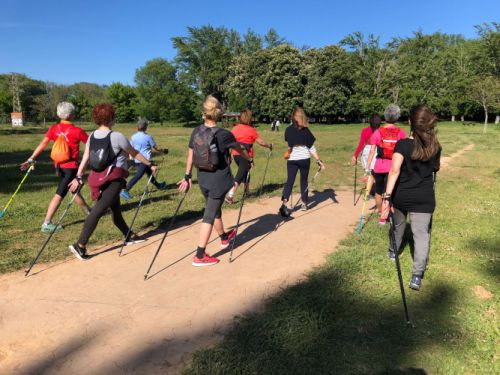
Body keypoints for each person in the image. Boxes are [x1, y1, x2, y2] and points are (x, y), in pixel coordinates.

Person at [67, 104, 157, 260]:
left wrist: (79, 176)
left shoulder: (92, 136)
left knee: (115, 210)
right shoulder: (117, 136)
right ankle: (80, 245)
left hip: (98, 177)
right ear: (111, 118)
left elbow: (86, 157)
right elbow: (134, 153)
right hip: (114, 178)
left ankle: (128, 235)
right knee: (98, 211)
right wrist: (149, 164)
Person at [178, 96, 253, 267]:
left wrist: (187, 176)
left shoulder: (196, 131)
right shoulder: (224, 134)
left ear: (204, 113)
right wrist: (248, 159)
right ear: (219, 113)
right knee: (209, 215)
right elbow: (240, 149)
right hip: (218, 180)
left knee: (215, 209)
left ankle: (224, 238)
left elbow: (190, 154)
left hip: (202, 178)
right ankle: (199, 255)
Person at [381, 105, 441, 291]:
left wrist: (386, 197)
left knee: (399, 225)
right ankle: (417, 276)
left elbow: (394, 171)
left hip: (401, 196)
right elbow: (435, 170)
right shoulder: (436, 146)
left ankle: (393, 251)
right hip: (424, 198)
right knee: (421, 235)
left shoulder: (403, 145)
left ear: (410, 123)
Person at [20, 102, 91, 233]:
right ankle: (46, 223)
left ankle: (89, 212)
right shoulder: (78, 131)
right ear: (71, 115)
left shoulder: (54, 128)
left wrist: (31, 159)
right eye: (74, 112)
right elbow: (91, 146)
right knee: (60, 194)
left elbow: (43, 144)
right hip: (71, 167)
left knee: (74, 190)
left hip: (59, 166)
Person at [279, 107, 325, 217]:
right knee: (304, 181)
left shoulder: (288, 130)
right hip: (304, 159)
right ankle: (304, 203)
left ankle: (284, 204)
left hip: (292, 159)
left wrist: (289, 151)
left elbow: (289, 146)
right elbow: (311, 148)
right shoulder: (306, 130)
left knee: (289, 181)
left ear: (293, 117)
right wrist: (319, 161)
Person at [365, 104, 407, 224]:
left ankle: (380, 214)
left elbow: (372, 151)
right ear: (397, 117)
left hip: (379, 166)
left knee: (378, 191)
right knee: (389, 192)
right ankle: (386, 216)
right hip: (393, 166)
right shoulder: (401, 132)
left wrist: (368, 167)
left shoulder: (378, 131)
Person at [225, 109, 273, 204]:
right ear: (249, 119)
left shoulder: (235, 129)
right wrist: (269, 146)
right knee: (240, 174)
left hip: (236, 155)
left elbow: (230, 143)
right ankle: (230, 195)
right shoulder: (251, 130)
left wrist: (229, 155)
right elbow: (261, 142)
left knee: (246, 172)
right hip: (245, 155)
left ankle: (246, 192)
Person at [120, 118, 168, 200]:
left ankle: (158, 185)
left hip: (138, 160)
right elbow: (156, 147)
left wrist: (131, 156)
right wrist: (163, 150)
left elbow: (131, 147)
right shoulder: (148, 137)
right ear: (145, 127)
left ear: (137, 127)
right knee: (138, 176)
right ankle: (125, 190)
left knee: (149, 174)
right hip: (145, 160)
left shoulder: (133, 136)